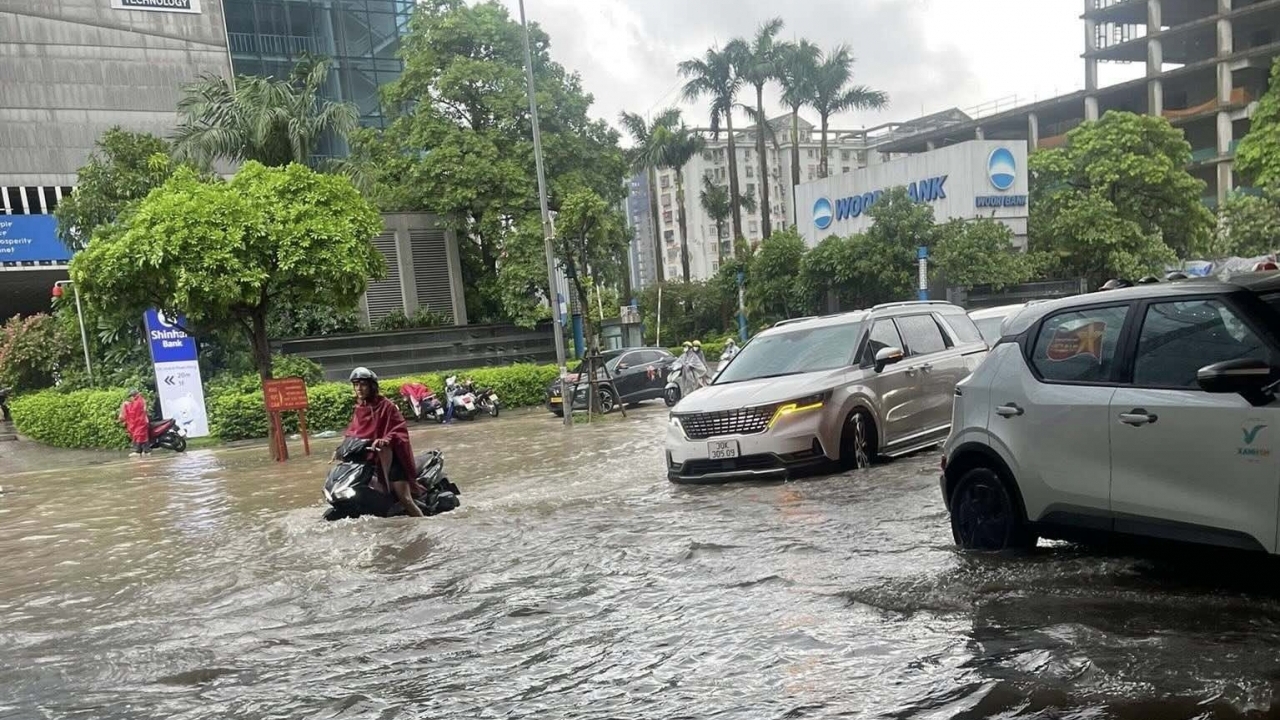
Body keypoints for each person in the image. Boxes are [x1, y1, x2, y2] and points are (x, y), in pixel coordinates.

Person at [342, 367, 424, 517]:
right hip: (370, 458)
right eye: (356, 384)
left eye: (363, 384)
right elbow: (353, 432)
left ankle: (422, 523)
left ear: (371, 386)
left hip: (392, 458)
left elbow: (399, 429)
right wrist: (342, 448)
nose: (359, 388)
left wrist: (385, 440)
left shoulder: (387, 406)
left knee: (405, 499)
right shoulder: (360, 408)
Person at [118, 389, 150, 457]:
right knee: (143, 436)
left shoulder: (138, 402)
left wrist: (126, 406)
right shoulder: (141, 400)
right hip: (142, 421)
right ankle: (146, 451)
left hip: (140, 421)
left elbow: (133, 412)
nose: (130, 398)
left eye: (131, 396)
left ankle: (138, 451)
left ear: (133, 396)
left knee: (139, 435)